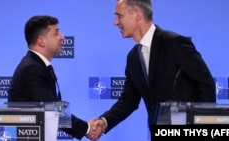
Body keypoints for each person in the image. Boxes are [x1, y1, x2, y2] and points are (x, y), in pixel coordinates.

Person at [91, 0, 216, 139]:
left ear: (137, 14)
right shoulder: (133, 57)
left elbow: (206, 84)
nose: (115, 22)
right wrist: (104, 121)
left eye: (119, 16)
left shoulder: (174, 42)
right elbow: (129, 100)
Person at [7, 15, 103, 141]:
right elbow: (53, 111)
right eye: (56, 33)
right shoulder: (32, 68)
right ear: (41, 41)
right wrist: (87, 128)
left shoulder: (37, 65)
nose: (62, 37)